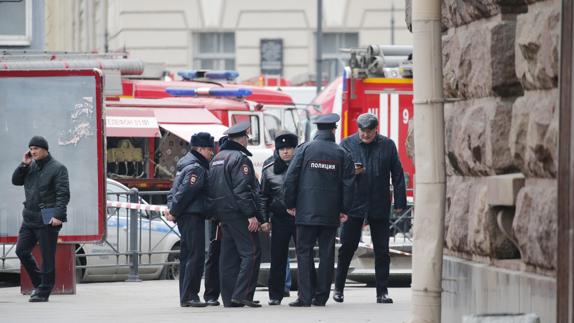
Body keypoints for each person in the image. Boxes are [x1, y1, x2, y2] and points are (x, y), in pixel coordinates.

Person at [333, 113, 407, 304]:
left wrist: (399, 203)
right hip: (353, 204)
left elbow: (397, 175)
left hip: (379, 203)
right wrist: (351, 174)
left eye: (369, 131)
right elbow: (337, 175)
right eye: (362, 131)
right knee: (347, 247)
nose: (365, 135)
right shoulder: (347, 144)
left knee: (382, 250)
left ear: (376, 130)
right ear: (357, 129)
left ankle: (382, 292)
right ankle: (339, 288)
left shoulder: (387, 145)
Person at [283, 114, 355, 307]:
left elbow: (291, 178)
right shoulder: (342, 153)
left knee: (304, 252)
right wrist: (344, 209)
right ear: (333, 130)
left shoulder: (305, 149)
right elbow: (349, 185)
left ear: (317, 130)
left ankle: (305, 297)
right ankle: (321, 296)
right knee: (327, 253)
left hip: (305, 212)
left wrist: (290, 204)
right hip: (330, 213)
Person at [207, 121, 267, 308]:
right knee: (251, 252)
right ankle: (242, 294)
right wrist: (251, 214)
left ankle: (229, 297)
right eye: (247, 138)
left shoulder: (217, 158)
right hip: (239, 213)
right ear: (242, 138)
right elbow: (243, 190)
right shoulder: (240, 159)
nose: (247, 141)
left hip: (222, 214)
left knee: (229, 257)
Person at [12, 136, 70, 302]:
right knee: (21, 250)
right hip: (29, 216)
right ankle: (39, 284)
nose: (33, 151)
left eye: (36, 148)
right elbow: (15, 181)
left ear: (45, 149)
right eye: (31, 148)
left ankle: (44, 292)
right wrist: (23, 164)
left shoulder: (58, 168)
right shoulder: (30, 166)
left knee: (47, 256)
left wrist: (58, 215)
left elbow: (63, 193)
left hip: (48, 215)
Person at [165, 132, 215, 307]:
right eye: (209, 149)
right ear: (200, 149)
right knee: (195, 256)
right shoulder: (196, 168)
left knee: (188, 256)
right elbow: (186, 192)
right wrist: (175, 211)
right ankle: (191, 296)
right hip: (192, 216)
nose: (212, 153)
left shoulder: (185, 166)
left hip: (187, 216)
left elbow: (173, 192)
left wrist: (173, 210)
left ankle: (186, 296)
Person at [260, 131, 298, 305]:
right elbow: (263, 197)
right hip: (279, 218)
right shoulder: (268, 170)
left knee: (304, 256)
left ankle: (308, 291)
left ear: (295, 148)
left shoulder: (303, 166)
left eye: (289, 148)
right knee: (277, 258)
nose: (285, 152)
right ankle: (275, 294)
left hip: (301, 218)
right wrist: (265, 220)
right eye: (282, 148)